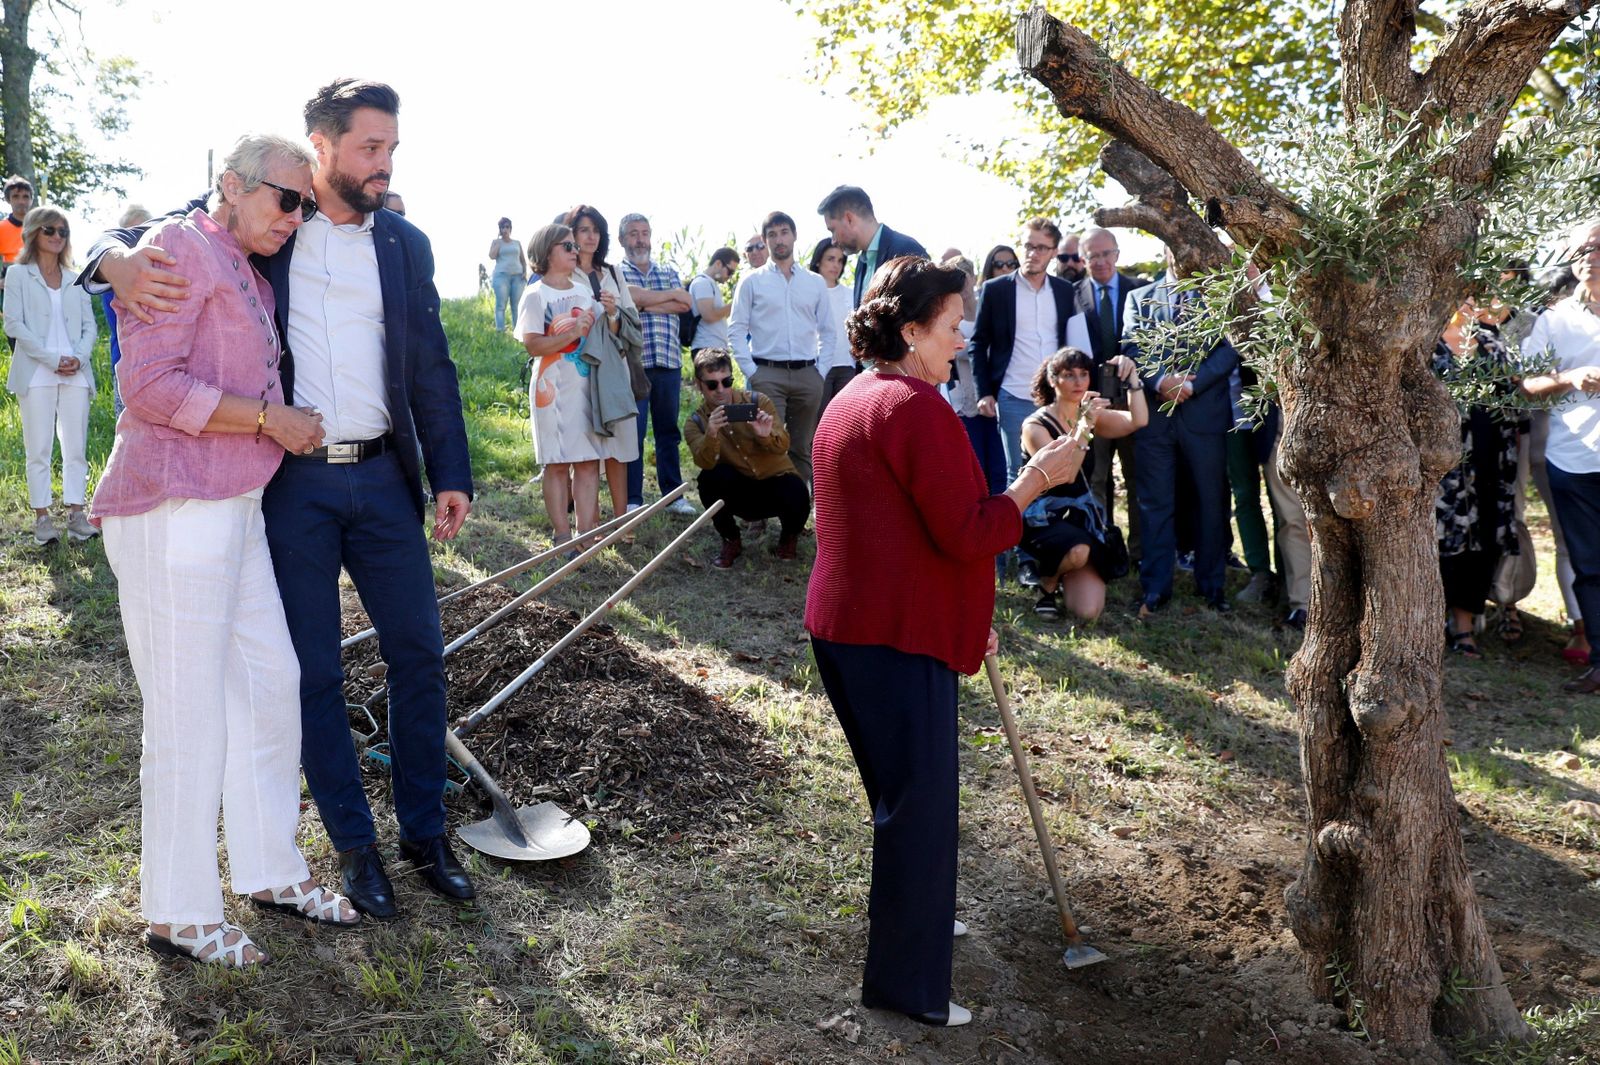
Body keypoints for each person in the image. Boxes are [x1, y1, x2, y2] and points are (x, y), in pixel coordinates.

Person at [88, 78, 478, 918]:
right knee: (312, 672)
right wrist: (107, 258)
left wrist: (451, 472)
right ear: (322, 145)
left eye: (392, 150)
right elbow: (145, 234)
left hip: (383, 477)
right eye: (370, 148)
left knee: (418, 653)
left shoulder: (405, 244)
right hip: (291, 484)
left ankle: (424, 833)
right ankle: (353, 849)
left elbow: (432, 367)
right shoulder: (276, 226)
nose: (383, 164)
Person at [90, 134, 358, 968]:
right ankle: (176, 905)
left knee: (272, 680)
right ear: (231, 186)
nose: (297, 215)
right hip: (174, 503)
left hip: (235, 507)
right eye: (287, 198)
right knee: (187, 708)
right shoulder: (175, 248)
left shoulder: (241, 263)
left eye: (307, 204)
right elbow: (151, 387)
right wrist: (267, 417)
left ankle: (270, 867)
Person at [806, 256, 1087, 1028]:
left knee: (901, 804)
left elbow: (897, 531)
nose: (962, 340)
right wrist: (1035, 479)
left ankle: (918, 918)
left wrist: (960, 613)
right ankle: (908, 986)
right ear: (910, 330)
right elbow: (969, 530)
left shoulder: (854, 396)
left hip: (854, 627)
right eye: (953, 326)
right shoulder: (914, 406)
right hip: (889, 637)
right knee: (920, 810)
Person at [1126, 250, 1240, 616]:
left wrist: (1193, 384)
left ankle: (1212, 586)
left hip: (1204, 414)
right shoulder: (1139, 297)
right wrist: (1161, 381)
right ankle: (1155, 588)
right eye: (1172, 248)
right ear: (1163, 251)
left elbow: (1230, 348)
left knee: (1211, 502)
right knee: (1155, 503)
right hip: (1155, 418)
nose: (1181, 254)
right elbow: (1131, 345)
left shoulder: (1219, 296)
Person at [1521, 219, 1600, 694]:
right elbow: (1528, 384)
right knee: (1591, 567)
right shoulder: (1553, 320)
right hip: (1573, 460)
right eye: (1583, 249)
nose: (1590, 255)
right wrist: (1570, 379)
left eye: (1599, 247)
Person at [969, 217, 1091, 508]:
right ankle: (1015, 552)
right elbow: (978, 342)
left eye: (1040, 247)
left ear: (1052, 252)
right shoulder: (997, 290)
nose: (1032, 253)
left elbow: (1071, 344)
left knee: (1060, 470)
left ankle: (1049, 539)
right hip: (1012, 394)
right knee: (1018, 476)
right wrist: (984, 391)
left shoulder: (1064, 291)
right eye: (1027, 246)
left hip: (1055, 399)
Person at [1021, 346, 1147, 621]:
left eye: (1084, 374)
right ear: (1053, 380)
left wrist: (1134, 378)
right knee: (1078, 551)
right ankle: (1047, 581)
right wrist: (1085, 425)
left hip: (1081, 519)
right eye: (1069, 375)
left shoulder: (1089, 417)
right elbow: (1065, 474)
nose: (1078, 382)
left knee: (1088, 611)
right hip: (1045, 520)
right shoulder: (1035, 426)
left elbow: (1139, 420)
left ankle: (1067, 569)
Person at [3, 205, 98, 545]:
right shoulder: (17, 274)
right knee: (38, 448)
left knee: (76, 448)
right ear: (33, 233)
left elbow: (89, 326)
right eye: (50, 230)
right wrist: (51, 358)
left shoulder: (77, 278)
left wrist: (78, 357)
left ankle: (76, 514)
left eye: (63, 231)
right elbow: (13, 324)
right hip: (36, 372)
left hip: (76, 372)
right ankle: (42, 518)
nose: (57, 236)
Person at [1434, 302, 1524, 659]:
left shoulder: (1492, 344)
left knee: (1482, 542)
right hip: (1440, 467)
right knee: (1439, 543)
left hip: (1489, 461)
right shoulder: (1423, 343)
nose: (1467, 300)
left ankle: (1465, 625)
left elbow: (1513, 406)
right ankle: (1428, 621)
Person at [519, 223, 615, 547]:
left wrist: (611, 313)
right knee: (557, 463)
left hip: (586, 384)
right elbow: (533, 345)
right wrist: (570, 334)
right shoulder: (535, 295)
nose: (576, 251)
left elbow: (604, 332)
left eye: (575, 246)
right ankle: (562, 537)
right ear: (547, 252)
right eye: (568, 246)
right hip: (551, 387)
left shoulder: (584, 290)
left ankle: (586, 537)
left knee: (588, 461)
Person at [729, 211, 839, 484]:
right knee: (764, 442)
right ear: (766, 241)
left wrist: (821, 371)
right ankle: (759, 515)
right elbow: (736, 329)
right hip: (767, 373)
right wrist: (752, 372)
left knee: (801, 448)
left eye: (784, 232)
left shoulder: (814, 283)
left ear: (794, 236)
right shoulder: (752, 282)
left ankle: (797, 516)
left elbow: (828, 330)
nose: (779, 240)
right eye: (772, 234)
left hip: (807, 374)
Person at [683, 349, 811, 567]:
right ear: (699, 385)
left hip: (774, 483)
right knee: (709, 479)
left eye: (727, 381)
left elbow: (784, 445)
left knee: (797, 489)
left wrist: (765, 436)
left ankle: (789, 537)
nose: (721, 390)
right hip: (739, 490)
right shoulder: (695, 423)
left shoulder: (758, 401)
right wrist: (711, 434)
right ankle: (731, 540)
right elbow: (703, 462)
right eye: (712, 384)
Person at [1075, 227, 1150, 556]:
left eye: (1106, 253)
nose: (1101, 261)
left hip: (1134, 399)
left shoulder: (1142, 291)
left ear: (1118, 255)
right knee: (1097, 476)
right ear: (1083, 259)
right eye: (1093, 255)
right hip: (1092, 402)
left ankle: (1137, 551)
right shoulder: (1072, 295)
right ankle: (1102, 546)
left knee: (1137, 478)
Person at [565, 204, 640, 526]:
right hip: (577, 371)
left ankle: (621, 524)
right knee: (585, 452)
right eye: (583, 230)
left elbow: (630, 322)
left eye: (595, 230)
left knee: (619, 447)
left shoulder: (613, 272)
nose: (591, 236)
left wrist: (611, 314)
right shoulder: (563, 273)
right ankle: (589, 525)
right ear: (571, 235)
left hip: (613, 369)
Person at [618, 213, 696, 515]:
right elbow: (628, 299)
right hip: (634, 364)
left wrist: (643, 301)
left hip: (668, 362)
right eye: (634, 234)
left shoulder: (667, 270)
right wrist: (661, 300)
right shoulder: (617, 272)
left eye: (645, 233)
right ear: (624, 239)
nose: (641, 239)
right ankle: (633, 499)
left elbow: (685, 303)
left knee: (668, 432)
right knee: (632, 434)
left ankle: (673, 495)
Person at [815, 184, 928, 306]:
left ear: (849, 219)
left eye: (833, 230)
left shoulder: (907, 251)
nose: (833, 241)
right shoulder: (862, 263)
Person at [105, 204, 152, 419]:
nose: (139, 239)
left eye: (145, 231)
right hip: (126, 362)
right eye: (133, 232)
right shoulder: (113, 276)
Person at [809, 236, 855, 409]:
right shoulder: (808, 293)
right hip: (818, 368)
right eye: (830, 259)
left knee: (844, 422)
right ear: (818, 261)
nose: (836, 265)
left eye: (840, 260)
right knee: (818, 422)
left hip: (847, 366)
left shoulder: (850, 294)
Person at [686, 245, 738, 356]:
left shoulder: (710, 283)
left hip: (714, 347)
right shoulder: (702, 283)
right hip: (707, 348)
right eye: (730, 272)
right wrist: (736, 303)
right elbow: (709, 315)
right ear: (718, 263)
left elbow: (717, 315)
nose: (730, 276)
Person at [489, 217, 528, 332]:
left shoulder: (517, 243)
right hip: (502, 276)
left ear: (510, 228)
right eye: (502, 227)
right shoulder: (496, 242)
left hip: (518, 276)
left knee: (516, 305)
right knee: (501, 304)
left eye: (507, 227)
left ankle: (517, 331)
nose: (505, 229)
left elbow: (522, 260)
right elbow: (492, 256)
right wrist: (499, 241)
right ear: (500, 229)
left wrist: (525, 271)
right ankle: (500, 330)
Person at [0, 175, 32, 269]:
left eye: (25, 197)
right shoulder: (1, 228)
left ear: (31, 200)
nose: (21, 201)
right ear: (8, 199)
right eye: (16, 196)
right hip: (7, 277)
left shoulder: (42, 229)